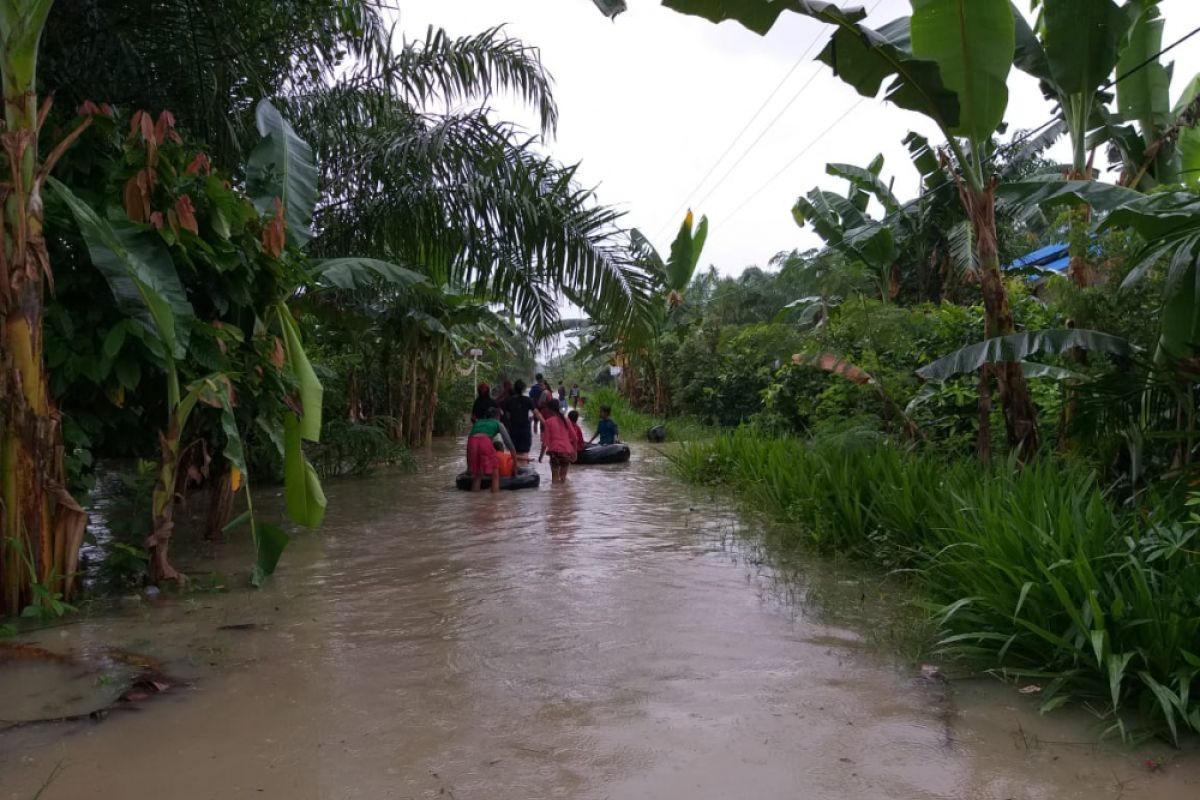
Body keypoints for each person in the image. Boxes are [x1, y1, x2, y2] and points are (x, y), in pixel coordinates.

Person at [466, 407, 515, 493]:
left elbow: (468, 448)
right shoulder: (498, 423)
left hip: (471, 442)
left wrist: (469, 466)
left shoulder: (478, 422)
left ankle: (474, 500)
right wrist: (515, 465)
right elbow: (509, 444)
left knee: (477, 474)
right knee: (495, 473)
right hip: (484, 441)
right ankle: (494, 501)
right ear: (498, 416)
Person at [536, 398, 576, 483]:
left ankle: (555, 495)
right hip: (566, 451)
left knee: (554, 479)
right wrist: (575, 453)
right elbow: (575, 438)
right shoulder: (567, 420)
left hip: (555, 452)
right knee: (563, 478)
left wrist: (541, 456)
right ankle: (562, 495)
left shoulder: (548, 422)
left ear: (549, 409)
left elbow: (545, 442)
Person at [501, 379, 535, 461]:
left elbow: (508, 417)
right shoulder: (528, 400)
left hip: (514, 430)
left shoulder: (509, 401)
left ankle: (516, 470)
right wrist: (544, 423)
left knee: (514, 452)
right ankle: (525, 469)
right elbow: (536, 413)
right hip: (525, 430)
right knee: (525, 451)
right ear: (523, 389)